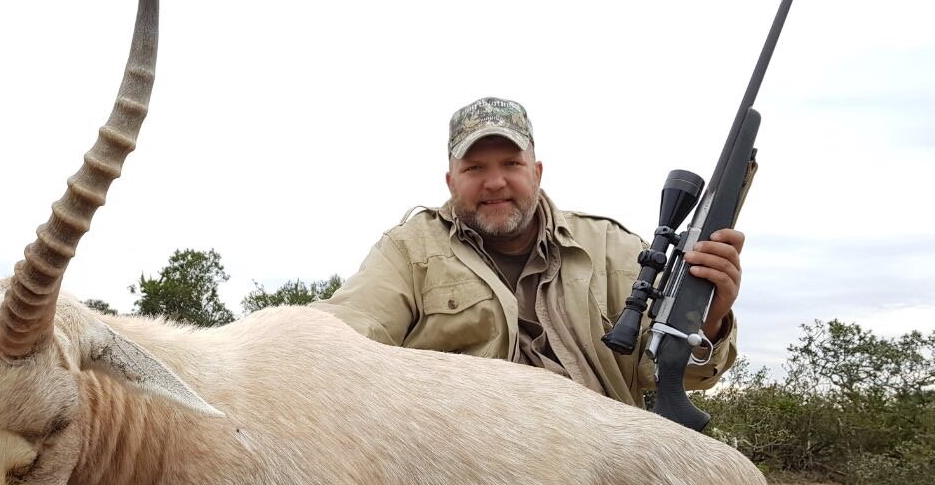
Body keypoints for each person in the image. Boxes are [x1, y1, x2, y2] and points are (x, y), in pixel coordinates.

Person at [313, 97, 743, 406]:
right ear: (450, 181)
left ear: (536, 172)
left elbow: (672, 373)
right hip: (462, 479)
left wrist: (708, 318)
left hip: (605, 469)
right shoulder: (407, 252)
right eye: (475, 168)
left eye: (511, 165)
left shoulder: (615, 248)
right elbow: (343, 332)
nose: (495, 182)